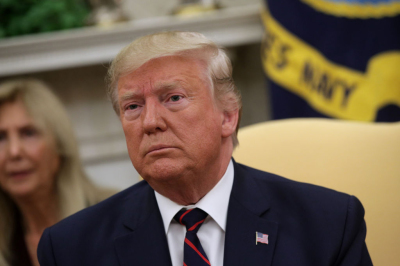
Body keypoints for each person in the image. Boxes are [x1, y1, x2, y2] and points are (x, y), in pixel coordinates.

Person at [37, 31, 373, 266]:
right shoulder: (70, 248)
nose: (150, 122)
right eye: (133, 107)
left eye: (174, 98)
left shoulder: (326, 224)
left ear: (228, 117)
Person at [0, 79, 116, 266]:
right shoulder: (7, 241)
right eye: (1, 138)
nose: (14, 152)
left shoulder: (116, 218)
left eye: (28, 133)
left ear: (60, 148)